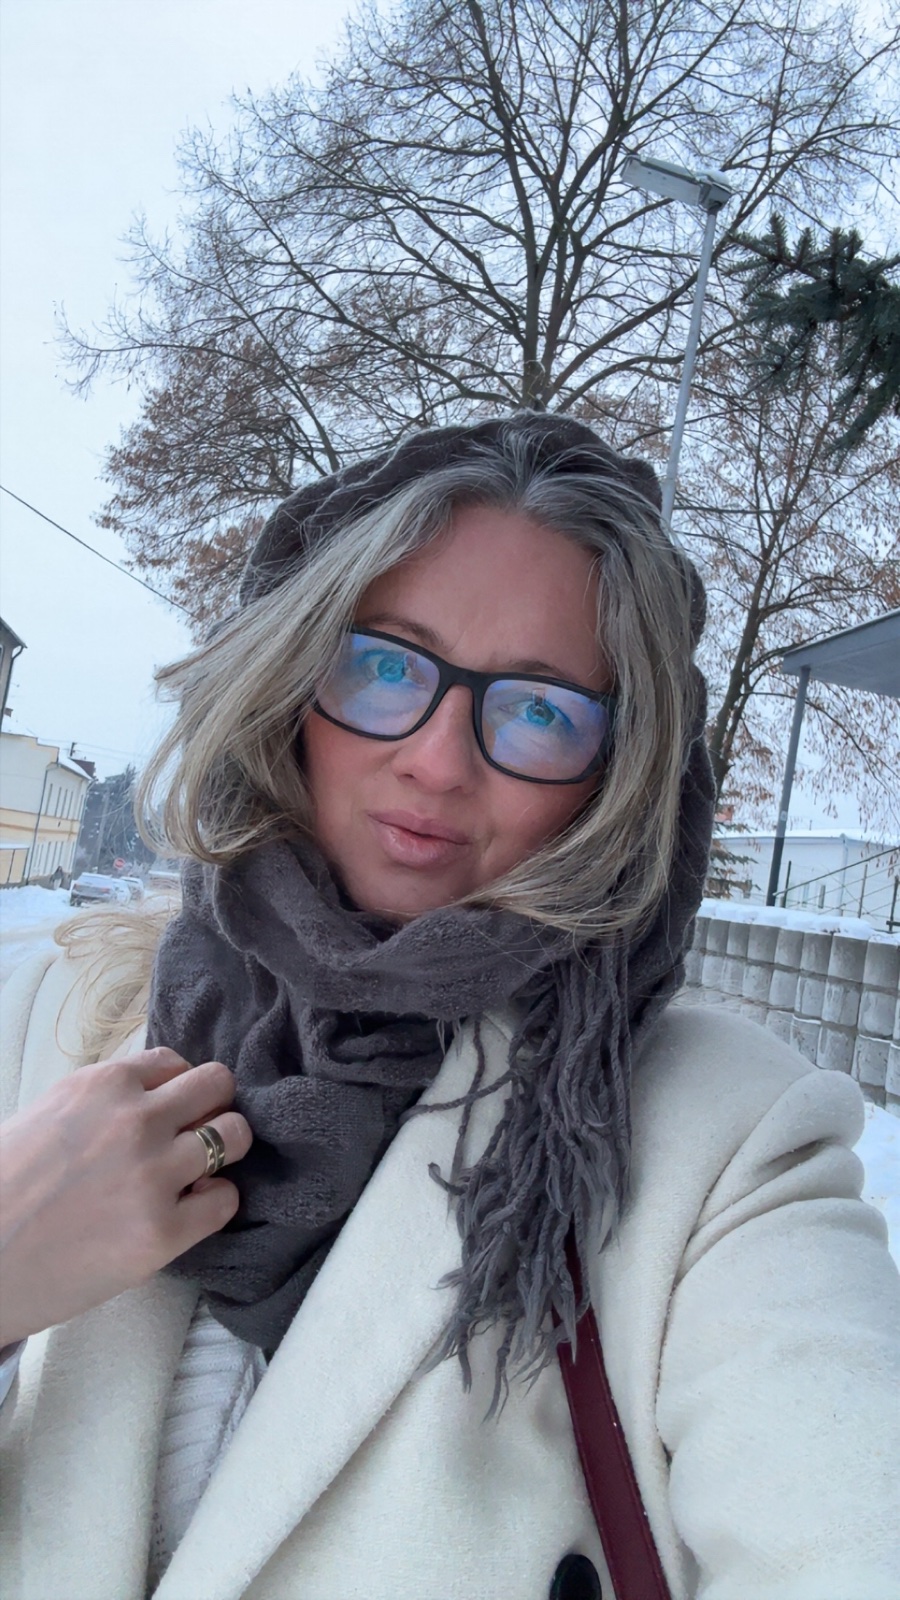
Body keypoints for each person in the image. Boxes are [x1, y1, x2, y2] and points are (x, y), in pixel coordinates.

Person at [1, 414, 897, 1600]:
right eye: (385, 666)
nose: (436, 759)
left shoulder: (721, 1149)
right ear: (290, 681)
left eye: (539, 710)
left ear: (616, 778)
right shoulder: (48, 1016)